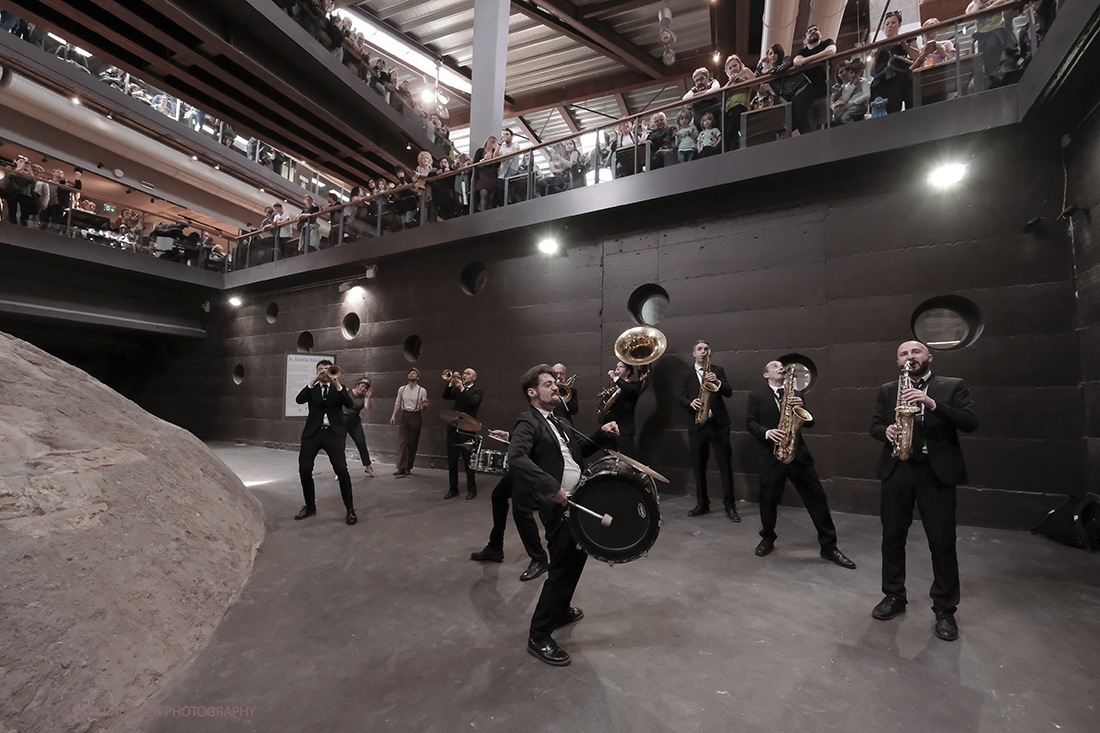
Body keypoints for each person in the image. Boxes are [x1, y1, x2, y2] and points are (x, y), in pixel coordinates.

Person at [508, 364, 619, 666]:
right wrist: (549, 487)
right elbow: (515, 457)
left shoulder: (557, 421)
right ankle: (539, 634)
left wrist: (602, 434)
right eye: (547, 384)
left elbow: (577, 453)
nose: (555, 387)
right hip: (558, 505)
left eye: (554, 383)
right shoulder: (527, 421)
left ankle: (560, 610)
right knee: (560, 568)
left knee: (577, 557)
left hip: (577, 499)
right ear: (532, 392)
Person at [870, 341, 978, 641]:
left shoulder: (952, 386)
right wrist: (886, 431)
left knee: (942, 542)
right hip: (898, 467)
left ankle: (944, 610)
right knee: (892, 536)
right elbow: (875, 425)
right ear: (898, 361)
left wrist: (932, 404)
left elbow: (970, 422)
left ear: (929, 357)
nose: (910, 357)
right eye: (904, 354)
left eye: (915, 352)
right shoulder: (888, 389)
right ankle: (894, 595)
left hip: (936, 471)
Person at [746, 360, 856, 568]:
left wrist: (801, 406)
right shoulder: (756, 396)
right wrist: (767, 432)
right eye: (774, 366)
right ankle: (768, 538)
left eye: (781, 366)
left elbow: (809, 421)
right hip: (771, 456)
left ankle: (829, 546)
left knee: (817, 499)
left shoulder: (796, 394)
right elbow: (750, 422)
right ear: (766, 375)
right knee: (768, 500)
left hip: (798, 455)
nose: (780, 367)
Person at [470, 429, 552, 583]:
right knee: (498, 496)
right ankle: (495, 548)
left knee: (521, 509)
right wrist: (509, 437)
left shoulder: (547, 411)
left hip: (530, 465)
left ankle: (539, 559)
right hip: (522, 464)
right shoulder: (533, 413)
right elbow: (531, 436)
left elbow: (543, 440)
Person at [678, 340, 738, 521]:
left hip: (719, 425)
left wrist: (718, 382)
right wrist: (690, 402)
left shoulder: (717, 371)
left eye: (706, 349)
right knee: (699, 467)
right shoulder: (686, 374)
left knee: (725, 467)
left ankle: (730, 507)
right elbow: (680, 398)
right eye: (699, 349)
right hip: (697, 425)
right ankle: (702, 504)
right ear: (694, 353)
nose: (703, 352)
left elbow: (728, 392)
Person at [294, 360, 357, 525]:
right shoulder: (312, 388)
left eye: (327, 369)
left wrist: (336, 383)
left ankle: (350, 509)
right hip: (312, 434)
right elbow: (299, 400)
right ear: (317, 372)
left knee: (342, 470)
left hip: (333, 434)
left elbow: (350, 404)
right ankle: (309, 506)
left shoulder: (338, 388)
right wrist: (314, 380)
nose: (324, 372)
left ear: (333, 371)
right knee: (305, 469)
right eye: (320, 369)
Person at [756, 43, 815, 135]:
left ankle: (809, 137)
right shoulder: (769, 76)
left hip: (801, 88)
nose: (773, 55)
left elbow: (782, 68)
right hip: (791, 98)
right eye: (770, 54)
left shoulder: (786, 59)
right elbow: (757, 77)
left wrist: (768, 71)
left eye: (775, 53)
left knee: (800, 115)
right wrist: (761, 61)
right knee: (789, 123)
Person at [443, 368, 483, 500]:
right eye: (464, 373)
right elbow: (446, 396)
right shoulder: (458, 389)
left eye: (468, 374)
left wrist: (461, 388)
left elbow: (472, 402)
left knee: (468, 461)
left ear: (474, 378)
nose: (464, 375)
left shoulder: (477, 391)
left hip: (468, 430)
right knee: (452, 461)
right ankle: (453, 489)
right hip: (454, 428)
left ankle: (472, 489)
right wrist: (451, 383)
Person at [870, 11, 916, 115]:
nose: (890, 26)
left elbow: (916, 56)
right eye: (887, 24)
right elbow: (872, 73)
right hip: (881, 81)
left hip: (898, 77)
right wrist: (876, 57)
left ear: (899, 24)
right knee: (880, 107)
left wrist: (905, 46)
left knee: (894, 106)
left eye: (893, 22)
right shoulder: (879, 46)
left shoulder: (907, 38)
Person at [792, 24, 837, 128]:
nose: (813, 31)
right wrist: (806, 60)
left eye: (816, 29)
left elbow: (831, 51)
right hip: (808, 96)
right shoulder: (803, 52)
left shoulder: (826, 43)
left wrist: (806, 60)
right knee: (810, 126)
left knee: (826, 123)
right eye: (809, 31)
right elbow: (796, 61)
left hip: (824, 92)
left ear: (820, 35)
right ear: (804, 40)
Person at [390, 368, 429, 476]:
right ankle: (401, 468)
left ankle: (408, 467)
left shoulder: (422, 390)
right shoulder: (402, 389)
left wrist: (424, 405)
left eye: (414, 373)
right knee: (403, 442)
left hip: (415, 416)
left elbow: (423, 406)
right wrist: (393, 415)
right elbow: (398, 402)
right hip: (404, 415)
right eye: (410, 373)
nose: (411, 374)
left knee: (412, 443)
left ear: (418, 378)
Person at [600, 361, 641, 459]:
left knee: (629, 457)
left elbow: (630, 389)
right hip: (610, 427)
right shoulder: (615, 386)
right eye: (617, 366)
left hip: (624, 428)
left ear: (628, 371)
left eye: (621, 367)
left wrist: (615, 378)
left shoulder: (633, 385)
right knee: (608, 457)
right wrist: (606, 397)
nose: (617, 369)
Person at [722, 54, 755, 151]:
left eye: (734, 66)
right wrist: (730, 82)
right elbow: (721, 94)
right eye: (730, 68)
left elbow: (756, 85)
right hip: (728, 109)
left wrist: (739, 80)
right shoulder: (729, 82)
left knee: (731, 130)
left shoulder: (745, 71)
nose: (733, 69)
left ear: (740, 65)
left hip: (740, 106)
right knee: (728, 134)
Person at [343, 377, 375, 477]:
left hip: (354, 422)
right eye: (362, 386)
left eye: (365, 388)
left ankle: (368, 467)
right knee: (340, 446)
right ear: (357, 385)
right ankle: (341, 471)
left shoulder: (364, 398)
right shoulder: (347, 391)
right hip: (342, 420)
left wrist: (369, 397)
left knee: (361, 444)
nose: (363, 389)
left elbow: (368, 408)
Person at [473, 135, 499, 212]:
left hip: (492, 176)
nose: (496, 146)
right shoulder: (480, 151)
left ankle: (488, 215)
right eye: (495, 143)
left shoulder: (495, 154)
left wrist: (493, 157)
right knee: (484, 193)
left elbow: (497, 165)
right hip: (482, 175)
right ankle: (483, 214)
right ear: (491, 143)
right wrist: (483, 160)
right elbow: (475, 163)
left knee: (491, 198)